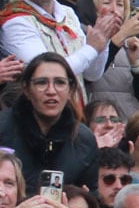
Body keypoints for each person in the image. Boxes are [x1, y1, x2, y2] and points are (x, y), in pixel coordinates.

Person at [0, 52, 100, 192]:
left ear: (71, 90)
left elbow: (91, 197)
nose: (51, 91)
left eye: (60, 82)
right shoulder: (3, 128)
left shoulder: (84, 139)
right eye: (41, 82)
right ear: (26, 89)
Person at [2, 0, 99, 88]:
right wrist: (93, 48)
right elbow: (48, 73)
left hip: (75, 106)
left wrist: (104, 39)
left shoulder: (68, 13)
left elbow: (92, 74)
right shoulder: (16, 21)